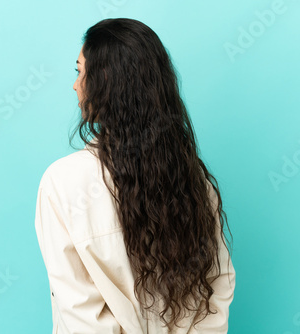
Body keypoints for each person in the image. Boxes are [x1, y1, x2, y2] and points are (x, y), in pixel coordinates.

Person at [35, 18, 236, 334]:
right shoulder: (193, 181)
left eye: (79, 71)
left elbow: (79, 311)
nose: (75, 84)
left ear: (104, 81)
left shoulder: (62, 182)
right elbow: (217, 287)